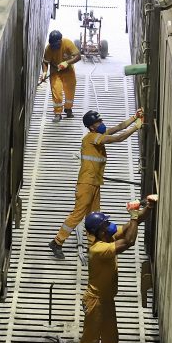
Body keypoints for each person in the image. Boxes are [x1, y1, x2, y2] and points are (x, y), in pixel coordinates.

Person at [76, 197, 156, 343]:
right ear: (99, 231)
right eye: (106, 225)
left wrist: (147, 207)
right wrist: (135, 218)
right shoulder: (99, 249)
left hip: (107, 300)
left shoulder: (106, 237)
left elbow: (131, 225)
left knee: (111, 338)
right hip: (95, 301)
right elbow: (129, 240)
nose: (110, 227)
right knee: (90, 340)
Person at [48, 109, 143, 259]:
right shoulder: (91, 138)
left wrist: (134, 118)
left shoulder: (98, 135)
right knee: (78, 214)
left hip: (94, 183)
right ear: (91, 126)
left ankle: (92, 246)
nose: (102, 124)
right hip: (86, 183)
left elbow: (118, 128)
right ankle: (57, 241)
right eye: (98, 122)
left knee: (94, 216)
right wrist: (136, 128)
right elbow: (118, 138)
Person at [40, 30, 81, 122]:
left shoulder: (67, 43)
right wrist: (44, 72)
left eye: (56, 45)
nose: (54, 47)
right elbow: (45, 62)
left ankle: (68, 108)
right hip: (55, 71)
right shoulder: (49, 49)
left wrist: (67, 62)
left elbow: (78, 56)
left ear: (60, 41)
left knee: (69, 90)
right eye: (52, 45)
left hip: (68, 70)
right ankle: (57, 113)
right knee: (56, 92)